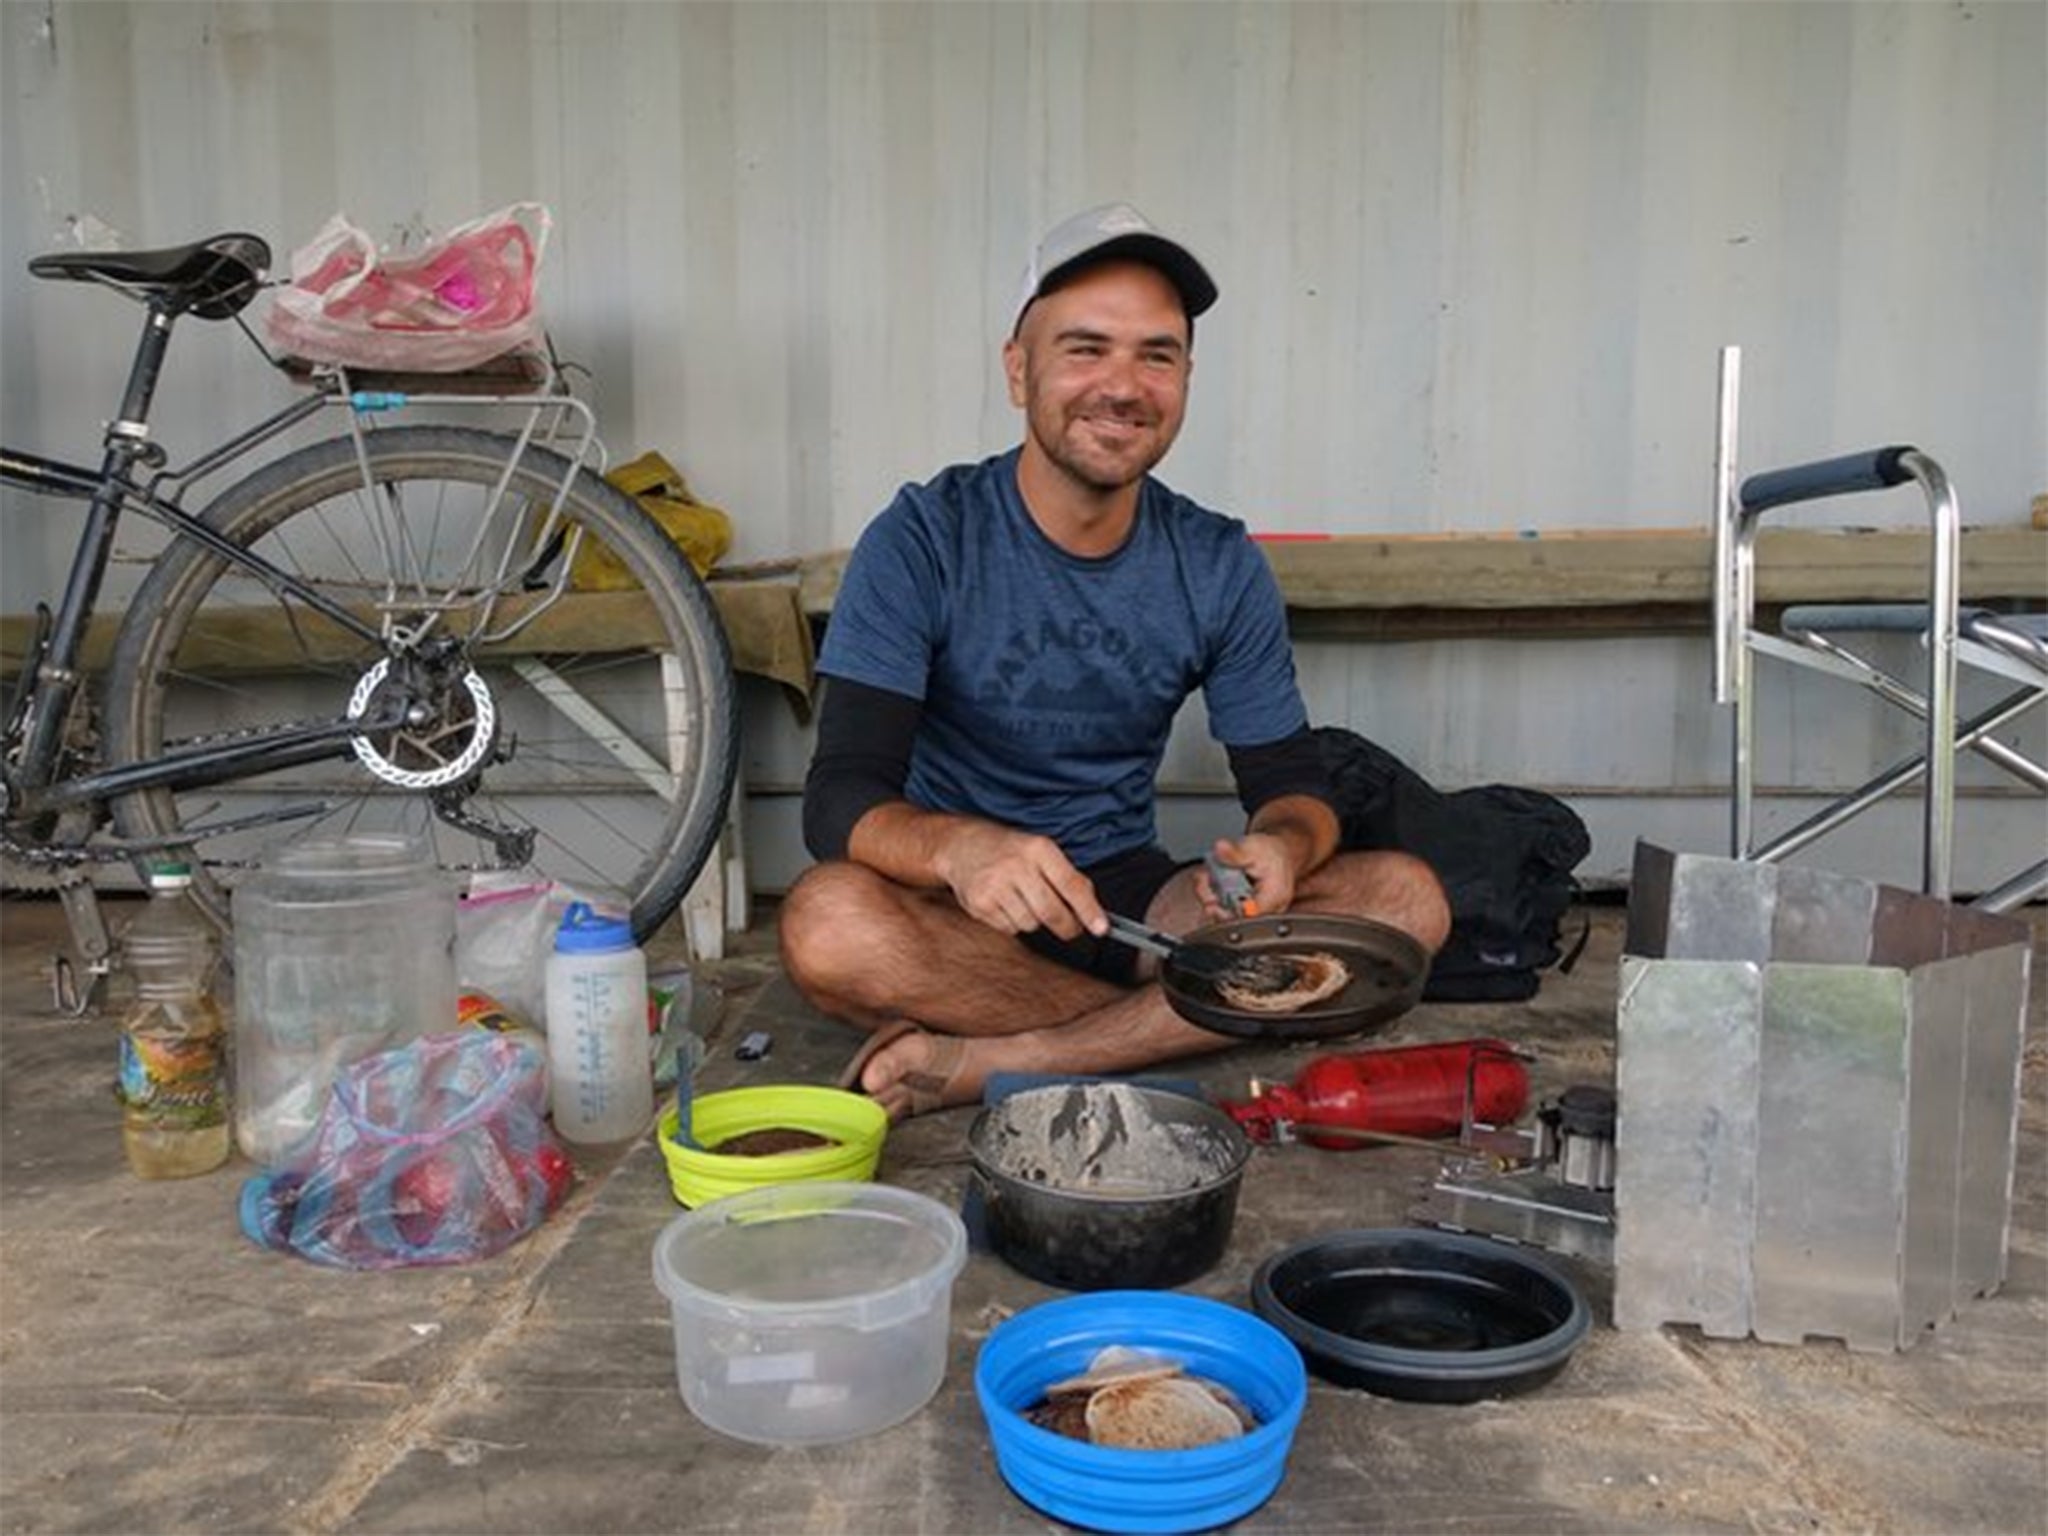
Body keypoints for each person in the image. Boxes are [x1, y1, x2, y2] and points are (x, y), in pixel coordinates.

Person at [778, 202, 1450, 1120]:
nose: (1123, 385)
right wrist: (964, 847)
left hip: (1133, 906)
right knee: (826, 922)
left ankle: (1005, 1060)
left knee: (1408, 900)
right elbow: (841, 796)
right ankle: (1194, 1021)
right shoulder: (924, 538)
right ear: (1020, 370)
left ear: (1184, 379)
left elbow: (1292, 782)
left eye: (1156, 354)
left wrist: (1283, 848)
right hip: (955, 916)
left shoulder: (1214, 560)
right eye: (1085, 349)